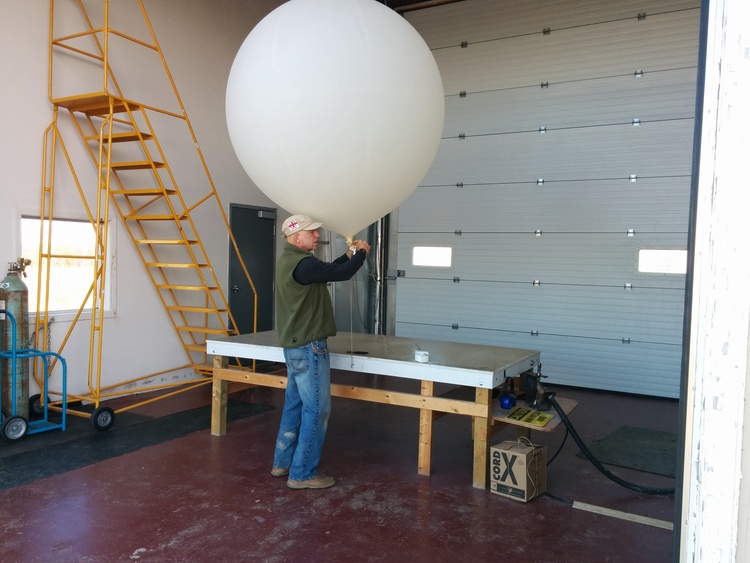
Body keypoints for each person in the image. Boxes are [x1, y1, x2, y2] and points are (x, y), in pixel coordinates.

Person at [271, 214, 370, 489]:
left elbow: (328, 269)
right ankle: (302, 474)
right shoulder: (303, 264)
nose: (317, 236)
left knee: (294, 405)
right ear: (296, 237)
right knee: (317, 410)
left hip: (294, 347)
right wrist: (360, 254)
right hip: (309, 346)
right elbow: (341, 273)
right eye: (312, 233)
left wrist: (348, 253)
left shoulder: (292, 262)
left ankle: (282, 462)